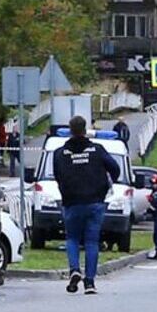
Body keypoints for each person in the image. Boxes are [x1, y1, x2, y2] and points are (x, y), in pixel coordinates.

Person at [53, 115, 120, 295]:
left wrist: (66, 191)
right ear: (85, 130)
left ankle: (74, 269)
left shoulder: (60, 153)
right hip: (95, 202)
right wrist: (105, 186)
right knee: (92, 241)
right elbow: (115, 168)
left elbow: (57, 176)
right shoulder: (96, 150)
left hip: (72, 202)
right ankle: (89, 282)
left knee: (72, 238)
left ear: (70, 129)